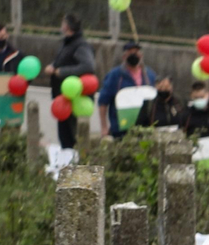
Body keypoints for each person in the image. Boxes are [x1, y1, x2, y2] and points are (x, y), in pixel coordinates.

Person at [50, 15, 94, 152]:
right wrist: (53, 67)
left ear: (67, 26)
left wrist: (61, 71)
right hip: (63, 99)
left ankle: (79, 171)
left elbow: (88, 66)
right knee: (65, 140)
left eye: (62, 23)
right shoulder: (67, 43)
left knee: (76, 141)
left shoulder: (80, 45)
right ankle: (68, 168)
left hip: (76, 100)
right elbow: (64, 61)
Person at [95, 44, 156, 140]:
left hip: (145, 129)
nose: (134, 56)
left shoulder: (149, 75)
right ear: (124, 57)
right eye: (130, 53)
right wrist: (104, 127)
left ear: (141, 55)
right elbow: (103, 102)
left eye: (136, 53)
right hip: (120, 129)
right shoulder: (114, 75)